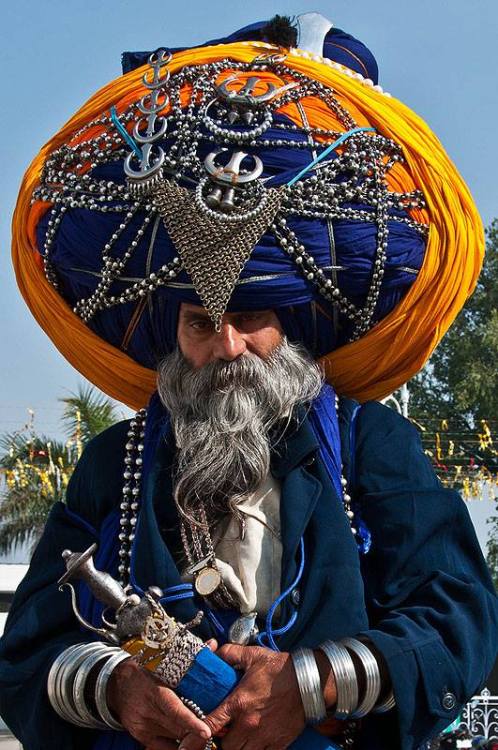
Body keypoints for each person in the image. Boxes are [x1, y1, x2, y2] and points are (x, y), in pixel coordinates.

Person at [1, 12, 497, 750]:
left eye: (250, 317)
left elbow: (460, 619)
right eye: (200, 322)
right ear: (175, 333)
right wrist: (118, 691)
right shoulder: (116, 463)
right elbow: (26, 654)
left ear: (291, 328)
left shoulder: (368, 446)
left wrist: (311, 686)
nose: (226, 346)